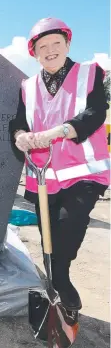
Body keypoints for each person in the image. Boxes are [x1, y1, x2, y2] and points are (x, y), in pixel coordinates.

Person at [9, 17, 110, 310]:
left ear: (67, 44)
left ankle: (61, 280)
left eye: (56, 43)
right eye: (43, 46)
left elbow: (95, 113)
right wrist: (20, 136)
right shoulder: (27, 87)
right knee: (47, 233)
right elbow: (17, 122)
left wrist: (59, 131)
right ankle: (52, 286)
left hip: (83, 174)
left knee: (70, 226)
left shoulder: (89, 74)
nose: (50, 50)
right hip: (44, 175)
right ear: (34, 52)